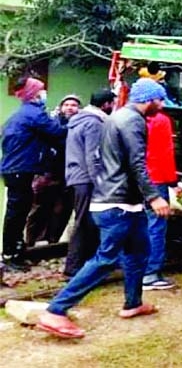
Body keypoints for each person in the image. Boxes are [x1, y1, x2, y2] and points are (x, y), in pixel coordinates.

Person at [36, 78, 171, 339]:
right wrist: (154, 196)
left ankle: (133, 303)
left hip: (123, 201)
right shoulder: (133, 121)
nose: (162, 105)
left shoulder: (117, 117)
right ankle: (56, 310)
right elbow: (136, 163)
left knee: (138, 251)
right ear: (148, 99)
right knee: (105, 259)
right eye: (159, 99)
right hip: (117, 202)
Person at [0, 77, 66, 271]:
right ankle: (10, 254)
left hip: (17, 169)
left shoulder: (21, 114)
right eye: (41, 90)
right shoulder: (34, 114)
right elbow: (57, 132)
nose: (44, 93)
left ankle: (16, 252)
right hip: (21, 169)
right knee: (16, 212)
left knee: (19, 212)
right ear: (34, 94)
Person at [63, 89, 116, 278]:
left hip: (76, 176)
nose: (114, 106)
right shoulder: (94, 123)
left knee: (86, 221)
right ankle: (74, 268)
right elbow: (93, 155)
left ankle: (82, 265)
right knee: (84, 222)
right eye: (113, 103)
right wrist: (100, 182)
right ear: (105, 104)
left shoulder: (79, 120)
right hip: (86, 178)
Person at [27, 94, 81, 247]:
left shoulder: (82, 125)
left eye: (74, 105)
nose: (70, 107)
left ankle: (53, 243)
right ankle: (31, 243)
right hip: (47, 173)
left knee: (62, 211)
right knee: (39, 210)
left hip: (69, 176)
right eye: (67, 104)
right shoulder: (50, 123)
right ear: (61, 107)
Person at [142, 110, 178, 290]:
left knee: (136, 224)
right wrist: (173, 181)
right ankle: (150, 274)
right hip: (156, 178)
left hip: (135, 179)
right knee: (156, 226)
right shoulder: (161, 120)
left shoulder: (127, 116)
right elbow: (165, 151)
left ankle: (134, 269)